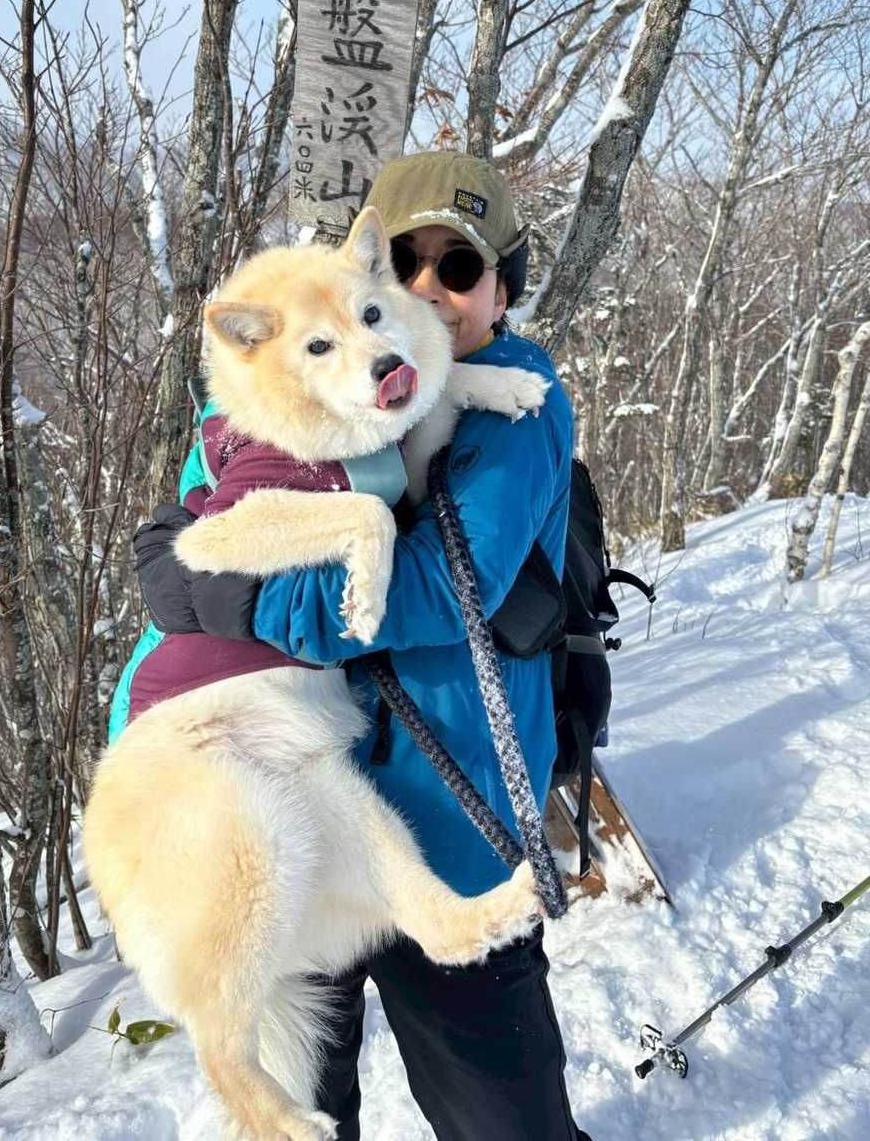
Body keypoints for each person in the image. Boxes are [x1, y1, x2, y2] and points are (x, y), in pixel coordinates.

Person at [116, 151, 590, 1141]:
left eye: (457, 267)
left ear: (503, 288)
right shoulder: (304, 372)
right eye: (402, 262)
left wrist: (237, 598)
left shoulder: (520, 400)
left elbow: (434, 589)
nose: (425, 288)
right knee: (302, 1099)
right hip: (289, 804)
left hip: (445, 835)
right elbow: (204, 508)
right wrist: (174, 567)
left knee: (505, 1122)